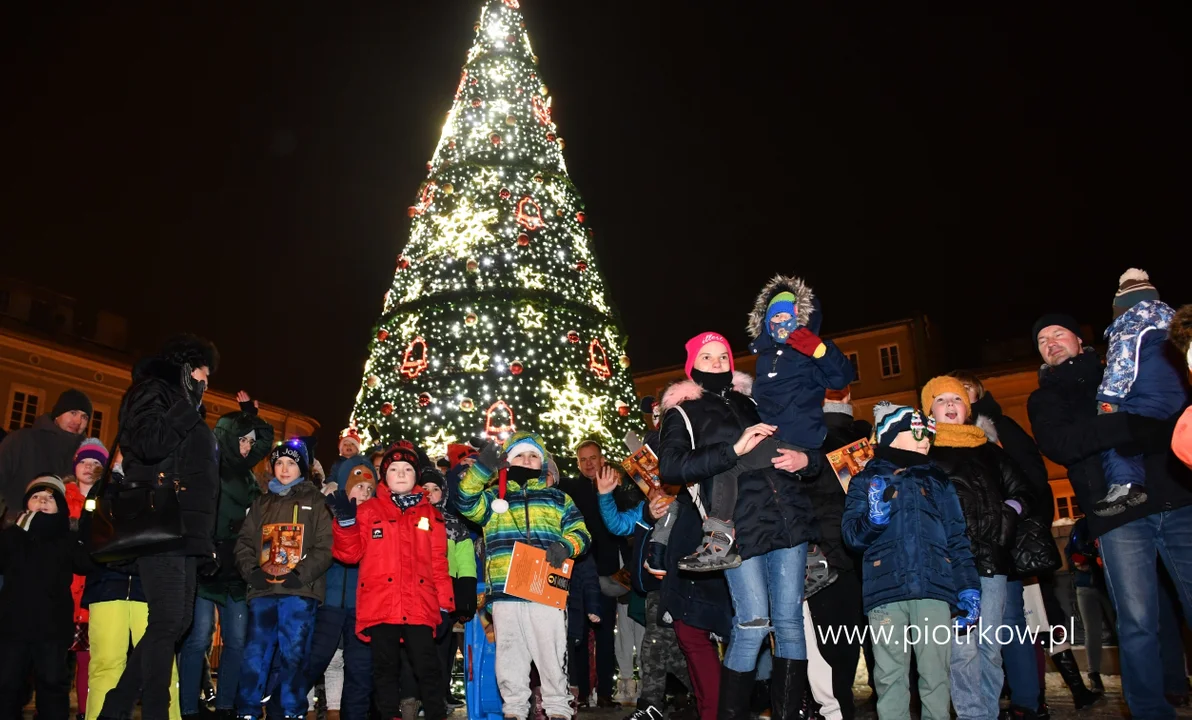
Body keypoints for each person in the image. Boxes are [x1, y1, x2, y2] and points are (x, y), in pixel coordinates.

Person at [1028, 313, 1192, 719]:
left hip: (1175, 498)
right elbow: (1063, 444)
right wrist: (1128, 424)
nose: (1050, 342)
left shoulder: (1121, 368)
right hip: (1116, 513)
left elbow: (1166, 419)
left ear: (1080, 341)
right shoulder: (1044, 399)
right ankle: (1150, 710)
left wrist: (1113, 427)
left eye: (1058, 334)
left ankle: (1174, 685)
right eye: (1042, 340)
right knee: (1136, 620)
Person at [658, 331, 820, 720]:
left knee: (790, 623)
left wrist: (805, 461)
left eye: (723, 356)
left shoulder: (753, 401)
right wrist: (733, 449)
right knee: (752, 623)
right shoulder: (682, 413)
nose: (716, 363)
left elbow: (797, 444)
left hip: (787, 519)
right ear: (692, 366)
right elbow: (672, 468)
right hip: (737, 527)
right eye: (707, 357)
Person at [952, 370, 1101, 711]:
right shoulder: (944, 440)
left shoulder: (1000, 432)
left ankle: (1028, 703)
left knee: (1016, 623)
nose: (958, 398)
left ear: (977, 395)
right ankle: (994, 700)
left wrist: (1013, 517)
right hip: (966, 548)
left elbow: (1031, 481)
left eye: (965, 391)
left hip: (1007, 545)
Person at [98, 335, 221, 720]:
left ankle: (116, 708)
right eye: (204, 371)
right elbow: (148, 445)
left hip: (183, 526)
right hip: (160, 519)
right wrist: (187, 408)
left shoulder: (184, 403)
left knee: (176, 621)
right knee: (168, 620)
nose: (207, 381)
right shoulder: (153, 391)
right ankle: (152, 710)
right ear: (188, 367)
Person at [842, 403, 979, 720]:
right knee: (890, 677)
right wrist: (873, 520)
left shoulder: (938, 481)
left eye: (930, 434)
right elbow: (851, 537)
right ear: (891, 436)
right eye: (917, 432)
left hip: (934, 591)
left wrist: (968, 587)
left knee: (936, 675)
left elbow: (957, 537)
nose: (925, 439)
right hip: (885, 593)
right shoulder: (865, 481)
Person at [921, 375, 1034, 720]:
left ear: (967, 409)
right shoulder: (922, 452)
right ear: (929, 411)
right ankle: (974, 715)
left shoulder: (989, 450)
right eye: (941, 400)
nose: (950, 405)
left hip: (992, 560)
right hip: (950, 562)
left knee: (990, 646)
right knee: (961, 649)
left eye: (956, 400)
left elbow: (1023, 492)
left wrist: (1006, 517)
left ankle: (987, 711)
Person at [455, 432, 590, 720]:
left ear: (543, 463)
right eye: (519, 455)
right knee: (509, 657)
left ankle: (557, 710)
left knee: (551, 656)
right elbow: (465, 501)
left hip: (546, 588)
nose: (527, 460)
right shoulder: (494, 498)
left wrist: (566, 545)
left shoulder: (558, 498)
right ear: (507, 461)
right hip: (505, 591)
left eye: (534, 456)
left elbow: (581, 531)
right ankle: (514, 711)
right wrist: (481, 469)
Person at [326, 441, 454, 720]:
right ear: (384, 475)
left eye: (407, 468)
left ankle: (436, 714)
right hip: (381, 603)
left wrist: (444, 603)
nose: (400, 473)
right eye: (393, 468)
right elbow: (350, 554)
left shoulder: (430, 515)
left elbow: (438, 563)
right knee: (384, 669)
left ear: (416, 475)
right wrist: (346, 525)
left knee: (428, 668)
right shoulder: (369, 511)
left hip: (419, 604)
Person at [180, 394, 273, 720]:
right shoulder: (211, 468)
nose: (248, 447)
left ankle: (225, 706)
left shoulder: (248, 476)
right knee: (198, 639)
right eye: (242, 439)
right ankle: (188, 707)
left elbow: (266, 441)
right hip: (208, 566)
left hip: (236, 572)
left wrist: (251, 416)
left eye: (249, 441)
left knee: (235, 641)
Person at [234, 438, 334, 720]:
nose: (284, 468)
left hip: (299, 592)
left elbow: (325, 546)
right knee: (256, 652)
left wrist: (300, 574)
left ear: (301, 467)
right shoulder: (261, 503)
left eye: (291, 463)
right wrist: (252, 572)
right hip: (263, 591)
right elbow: (243, 543)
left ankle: (293, 710)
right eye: (279, 462)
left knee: (295, 654)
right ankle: (248, 710)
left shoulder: (315, 502)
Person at [0, 474, 93, 720]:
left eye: (50, 498)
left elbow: (85, 564)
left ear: (60, 506)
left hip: (52, 625)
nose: (42, 501)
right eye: (36, 497)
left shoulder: (67, 537)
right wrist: (17, 530)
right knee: (7, 682)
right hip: (13, 624)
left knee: (52, 682)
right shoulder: (12, 535)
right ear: (26, 503)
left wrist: (86, 529)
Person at [1092, 269, 1185, 515]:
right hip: (1181, 400)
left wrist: (1107, 402)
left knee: (1116, 434)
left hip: (1148, 398)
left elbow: (1121, 367)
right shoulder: (1174, 324)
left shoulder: (1130, 325)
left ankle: (1124, 485)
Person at [556, 440, 637, 708]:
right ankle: (578, 691)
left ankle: (604, 691)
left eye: (593, 458)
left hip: (608, 571)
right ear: (578, 462)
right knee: (575, 634)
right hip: (577, 570)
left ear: (602, 459)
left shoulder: (616, 488)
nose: (589, 463)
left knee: (604, 635)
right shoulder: (569, 488)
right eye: (583, 459)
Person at [303, 455, 377, 720]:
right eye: (359, 486)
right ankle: (290, 707)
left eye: (370, 489)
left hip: (361, 605)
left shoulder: (374, 519)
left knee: (359, 667)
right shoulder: (326, 510)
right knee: (316, 658)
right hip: (329, 600)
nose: (365, 493)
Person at [62, 438, 108, 719]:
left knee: (88, 660)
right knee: (54, 658)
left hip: (91, 596)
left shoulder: (107, 502)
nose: (89, 468)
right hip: (63, 592)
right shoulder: (61, 496)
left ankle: (84, 711)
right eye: (85, 462)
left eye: (96, 464)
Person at [421, 474, 477, 710]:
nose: (430, 493)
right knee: (419, 649)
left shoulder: (454, 525)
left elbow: (466, 562)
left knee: (443, 648)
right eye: (424, 487)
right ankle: (416, 696)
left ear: (443, 493)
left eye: (435, 489)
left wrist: (465, 598)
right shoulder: (407, 519)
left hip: (447, 593)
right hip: (418, 592)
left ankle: (439, 697)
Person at [0, 388, 91, 524]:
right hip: (17, 528)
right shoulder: (21, 440)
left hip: (62, 536)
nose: (78, 421)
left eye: (84, 417)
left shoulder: (86, 457)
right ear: (57, 414)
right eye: (73, 413)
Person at [1066, 517, 1113, 693]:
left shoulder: (1106, 521)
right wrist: (1077, 562)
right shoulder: (1081, 526)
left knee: (1122, 628)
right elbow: (1071, 551)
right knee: (1092, 631)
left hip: (1107, 585)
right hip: (1086, 585)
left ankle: (1134, 672)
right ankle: (1094, 674)